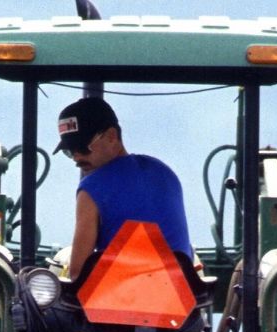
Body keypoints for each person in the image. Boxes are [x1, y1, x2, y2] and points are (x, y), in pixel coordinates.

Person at [54, 97, 193, 279]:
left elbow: (78, 273)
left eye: (82, 147)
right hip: (182, 296)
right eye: (69, 151)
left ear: (112, 136)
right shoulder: (165, 172)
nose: (76, 157)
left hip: (121, 300)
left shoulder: (91, 189)